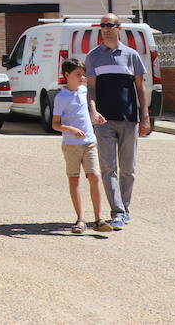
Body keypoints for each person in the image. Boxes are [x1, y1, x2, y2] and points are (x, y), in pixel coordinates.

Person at [84, 14, 151, 227]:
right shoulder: (93, 56)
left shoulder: (131, 56)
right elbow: (91, 88)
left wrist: (145, 117)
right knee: (108, 168)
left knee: (128, 169)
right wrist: (93, 111)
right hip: (103, 121)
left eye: (109, 25)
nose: (105, 29)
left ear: (119, 28)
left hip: (129, 119)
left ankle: (125, 208)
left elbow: (140, 89)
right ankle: (117, 212)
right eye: (102, 26)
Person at [52, 59, 115, 234]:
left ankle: (98, 219)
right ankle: (80, 219)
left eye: (83, 74)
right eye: (78, 75)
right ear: (66, 75)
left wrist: (97, 117)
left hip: (89, 142)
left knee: (94, 176)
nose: (82, 78)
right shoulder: (61, 97)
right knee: (74, 179)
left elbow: (89, 111)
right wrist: (71, 129)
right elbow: (55, 124)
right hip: (71, 145)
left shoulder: (85, 92)